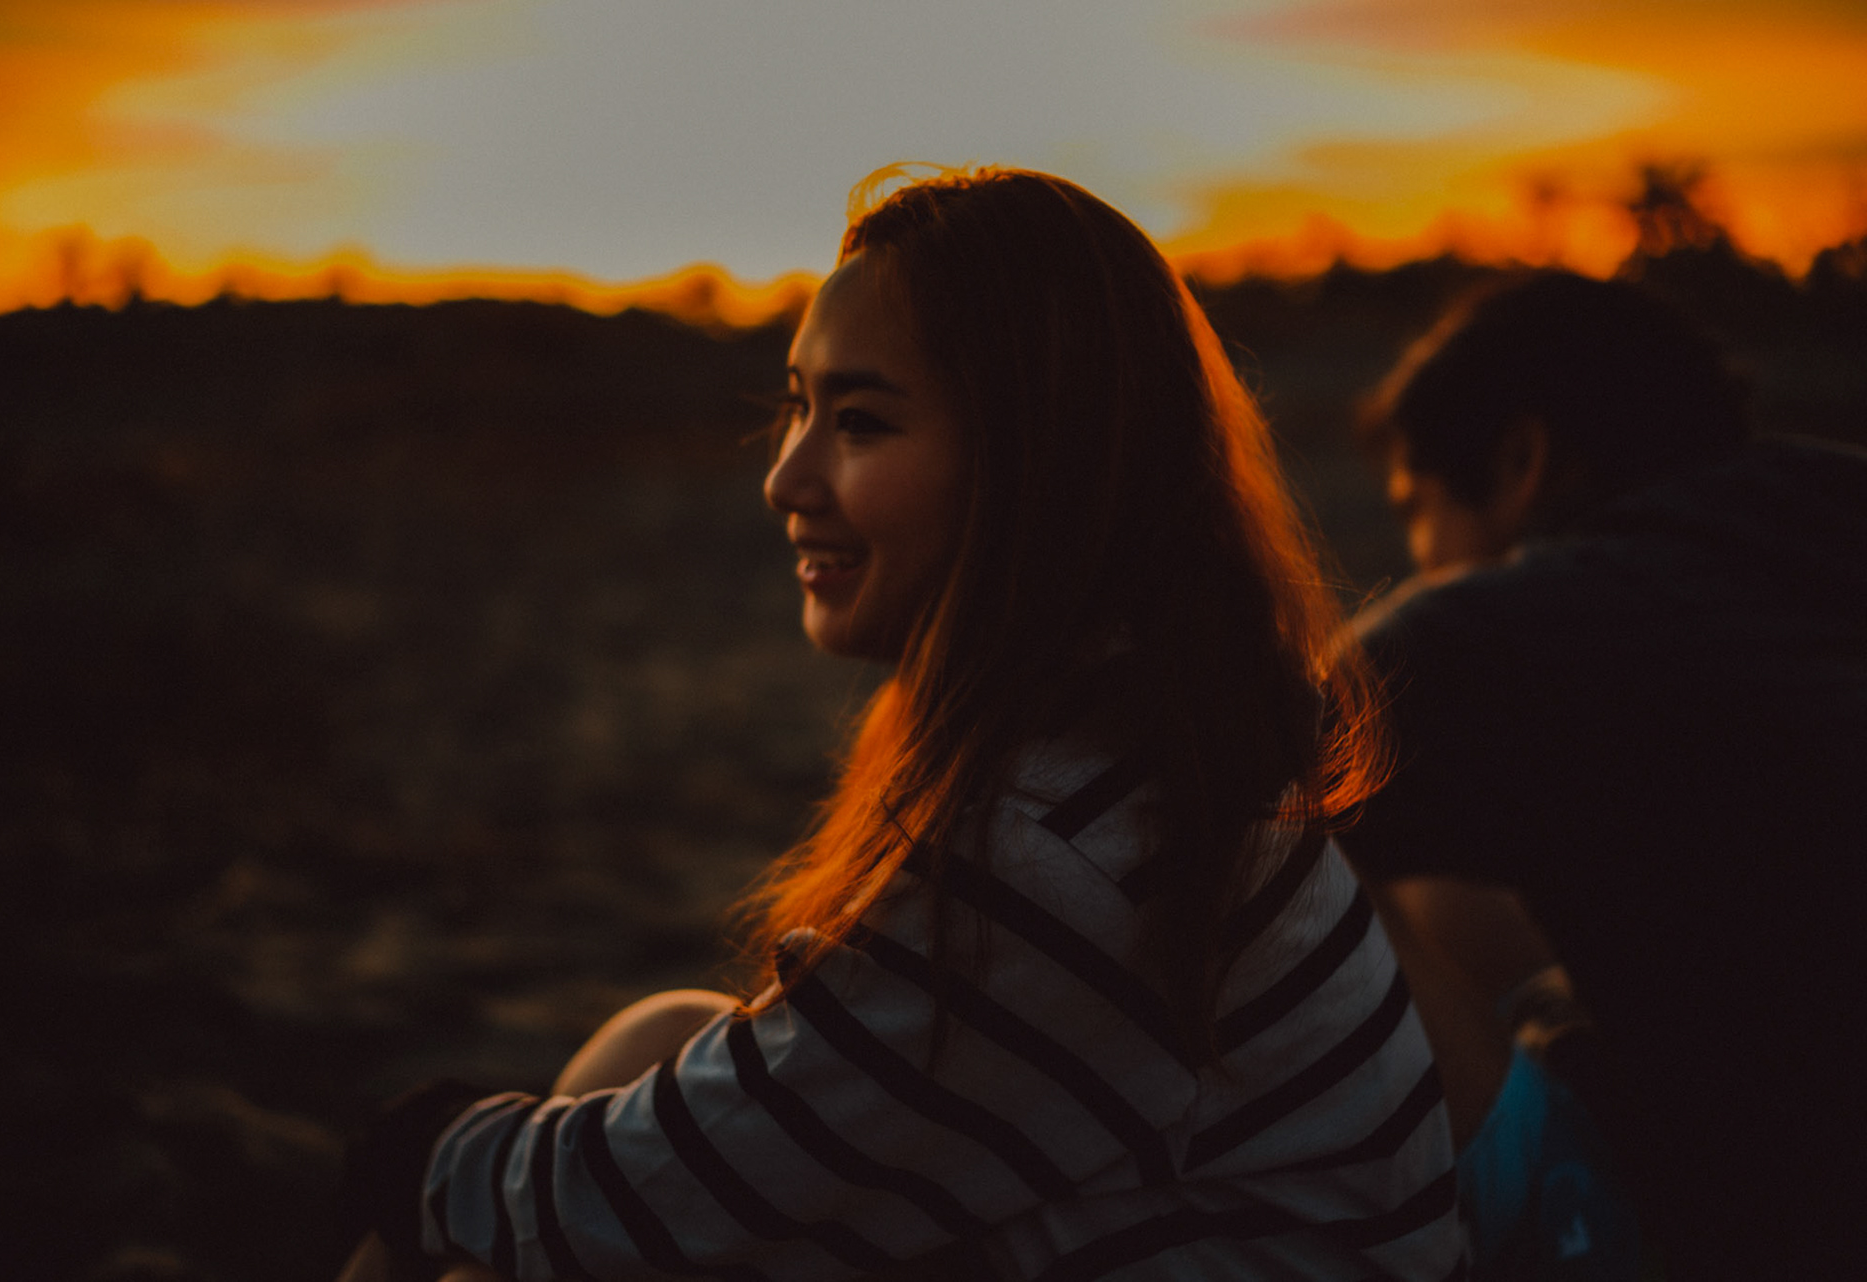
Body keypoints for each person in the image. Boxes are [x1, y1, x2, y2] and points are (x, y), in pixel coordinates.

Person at [338, 167, 1464, 1281]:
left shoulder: (1058, 855)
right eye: (797, 406)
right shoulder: (1141, 736)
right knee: (662, 1037)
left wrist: (408, 1153)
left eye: (862, 421)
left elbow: (633, 1199)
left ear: (1043, 466)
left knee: (507, 1235)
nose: (786, 475)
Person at [1340, 269, 1867, 1279]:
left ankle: (1564, 1225)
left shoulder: (1506, 628)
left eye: (1418, 509)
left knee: (1315, 835)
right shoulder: (1828, 502)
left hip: (1791, 1219)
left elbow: (1232, 770)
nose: (1419, 555)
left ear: (1523, 460)